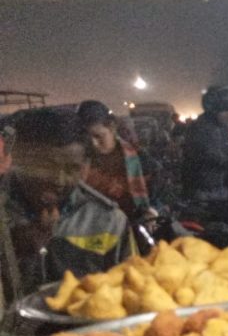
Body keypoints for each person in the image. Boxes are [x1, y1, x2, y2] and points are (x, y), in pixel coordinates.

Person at [0, 108, 132, 296]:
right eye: (46, 166)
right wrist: (12, 251)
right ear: (20, 159)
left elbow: (132, 290)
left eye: (72, 169)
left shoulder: (108, 221)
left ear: (86, 165)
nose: (59, 180)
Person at [76, 100, 151, 220]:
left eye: (98, 136)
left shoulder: (139, 158)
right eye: (87, 138)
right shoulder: (78, 160)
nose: (93, 144)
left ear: (112, 127)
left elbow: (147, 199)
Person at [181, 85, 228, 204]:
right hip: (202, 193)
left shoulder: (221, 128)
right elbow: (212, 155)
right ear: (215, 109)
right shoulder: (201, 128)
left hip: (218, 188)